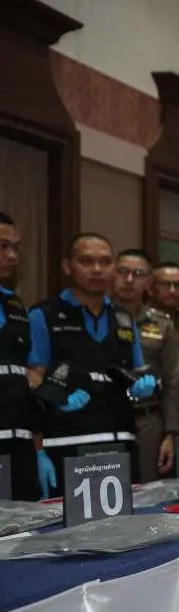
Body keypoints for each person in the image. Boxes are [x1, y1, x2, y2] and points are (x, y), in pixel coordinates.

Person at [28, 233, 157, 495]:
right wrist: (37, 449)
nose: (97, 269)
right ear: (68, 267)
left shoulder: (124, 318)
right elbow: (32, 377)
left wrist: (141, 388)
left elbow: (135, 374)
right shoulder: (44, 314)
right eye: (87, 261)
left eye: (105, 262)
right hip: (65, 446)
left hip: (119, 444)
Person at [110, 249, 179, 481]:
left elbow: (173, 380)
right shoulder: (96, 316)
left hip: (148, 419)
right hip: (105, 416)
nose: (129, 279)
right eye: (123, 271)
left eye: (138, 274)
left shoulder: (162, 324)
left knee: (148, 489)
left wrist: (170, 433)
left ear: (149, 282)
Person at [0, 212, 51, 500]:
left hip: (19, 444)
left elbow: (28, 377)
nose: (11, 255)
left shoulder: (16, 305)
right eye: (2, 246)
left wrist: (38, 448)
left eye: (15, 247)